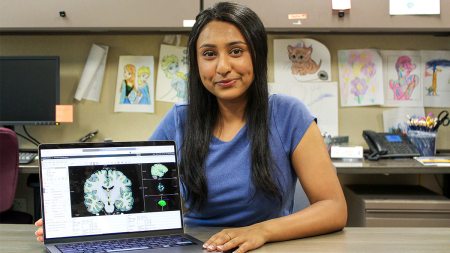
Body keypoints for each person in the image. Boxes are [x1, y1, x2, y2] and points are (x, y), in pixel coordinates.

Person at [35, 2, 347, 253]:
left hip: (262, 246)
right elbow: (140, 199)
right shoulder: (179, 120)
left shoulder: (287, 114)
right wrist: (72, 222)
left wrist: (261, 231)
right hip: (196, 246)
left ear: (257, 55)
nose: (222, 67)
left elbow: (333, 208)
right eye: (209, 54)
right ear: (197, 64)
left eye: (236, 51)